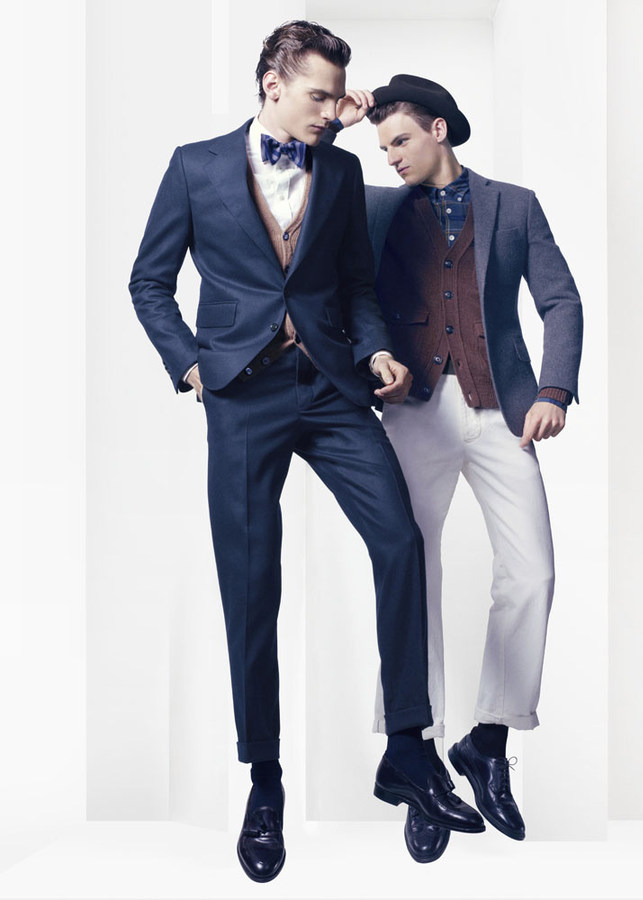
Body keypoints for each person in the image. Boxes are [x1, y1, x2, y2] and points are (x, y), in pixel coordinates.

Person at [129, 28, 483, 883]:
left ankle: (407, 748)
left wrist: (375, 350)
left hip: (331, 388)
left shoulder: (341, 171)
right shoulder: (195, 166)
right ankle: (264, 780)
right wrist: (190, 365)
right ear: (271, 84)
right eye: (317, 95)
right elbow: (149, 280)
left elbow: (355, 286)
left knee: (399, 542)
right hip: (242, 395)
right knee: (252, 587)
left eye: (336, 96)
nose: (330, 111)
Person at [330, 74, 583, 862]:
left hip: (501, 408)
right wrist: (339, 124)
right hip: (413, 409)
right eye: (382, 147)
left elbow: (560, 301)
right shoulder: (373, 208)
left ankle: (488, 740)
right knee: (414, 573)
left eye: (400, 140)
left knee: (532, 574)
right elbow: (303, 193)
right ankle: (418, 757)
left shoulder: (514, 204)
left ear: (438, 129)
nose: (390, 156)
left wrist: (553, 389)